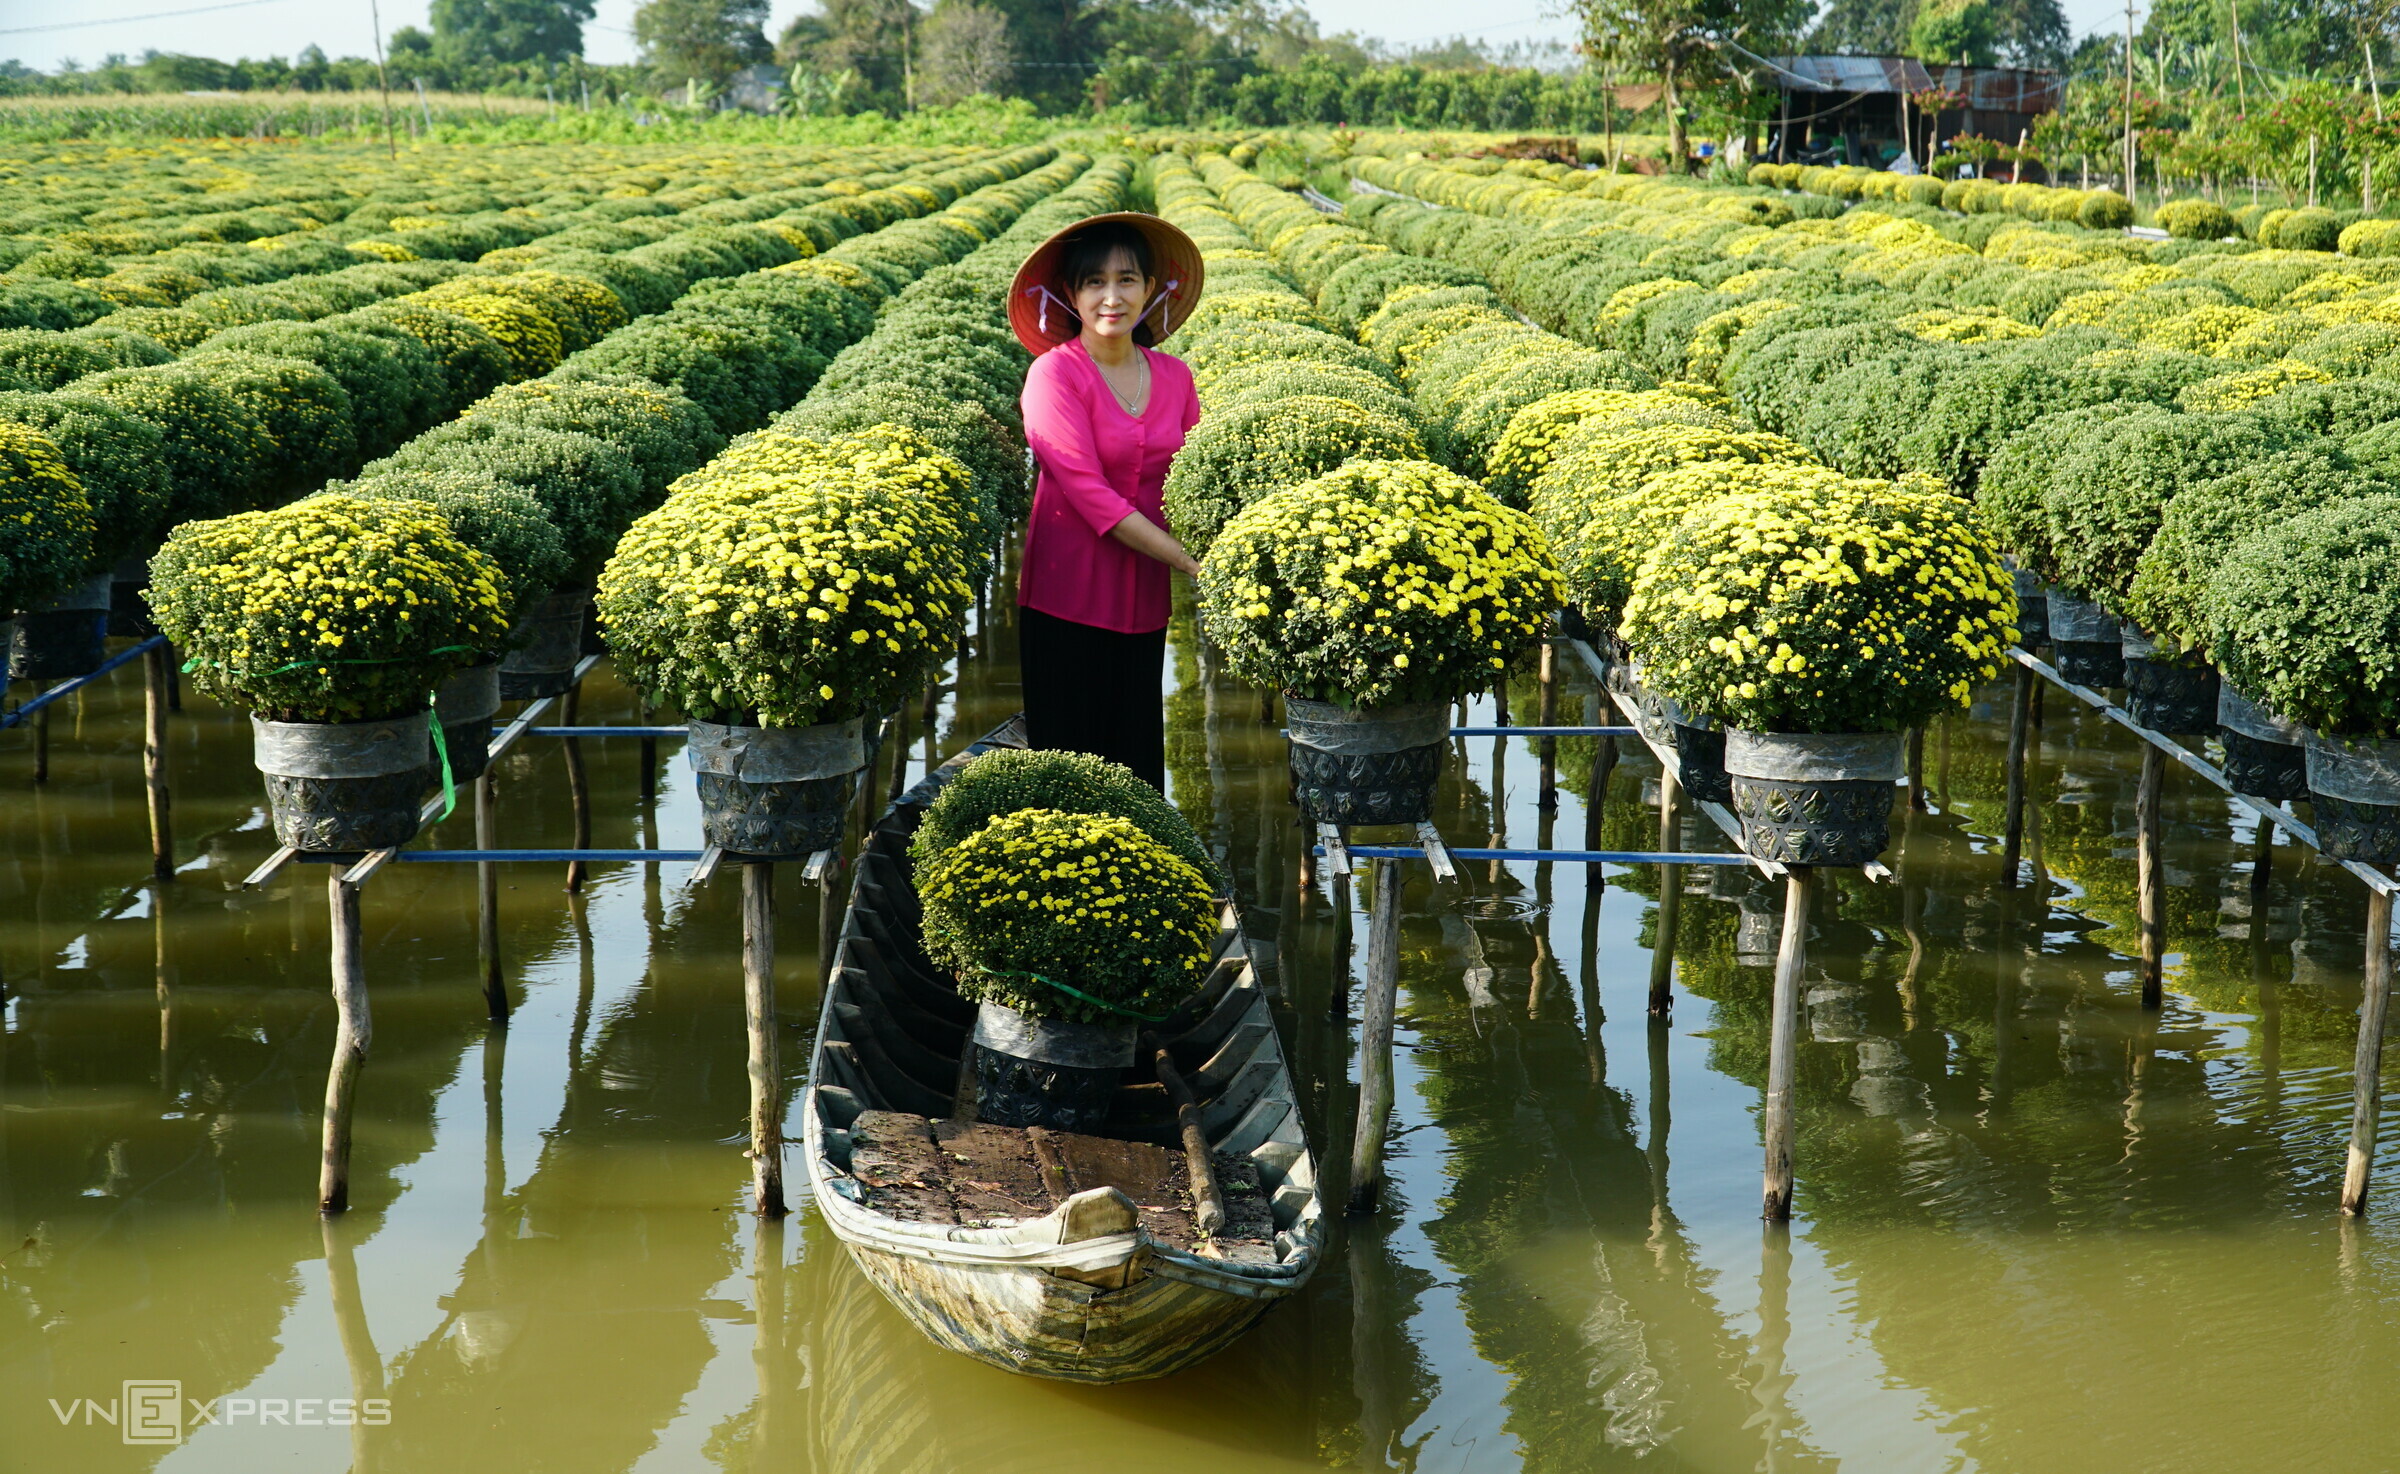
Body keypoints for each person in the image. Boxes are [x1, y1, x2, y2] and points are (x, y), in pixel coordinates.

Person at [1004, 213, 1207, 794]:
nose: (1111, 297)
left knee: (1137, 768)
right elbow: (1090, 494)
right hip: (1066, 599)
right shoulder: (1053, 376)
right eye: (1094, 282)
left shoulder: (1174, 376)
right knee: (1069, 776)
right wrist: (1192, 563)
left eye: (1127, 279)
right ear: (1070, 294)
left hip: (1143, 600)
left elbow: (1191, 483)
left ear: (1152, 289)